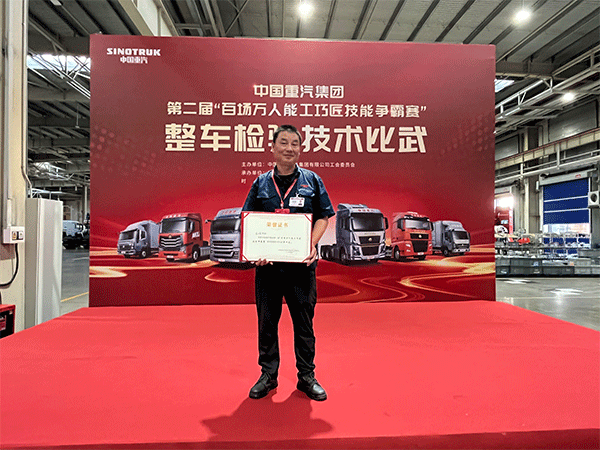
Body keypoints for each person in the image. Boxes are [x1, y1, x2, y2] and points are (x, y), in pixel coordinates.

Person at [242, 124, 335, 401]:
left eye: (295, 143)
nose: (289, 148)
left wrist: (310, 244)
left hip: (301, 269)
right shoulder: (260, 183)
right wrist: (255, 250)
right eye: (283, 142)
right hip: (268, 269)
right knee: (267, 323)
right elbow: (249, 221)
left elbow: (323, 216)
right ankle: (268, 375)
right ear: (273, 147)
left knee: (304, 324)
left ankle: (307, 376)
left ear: (301, 149)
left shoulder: (312, 181)